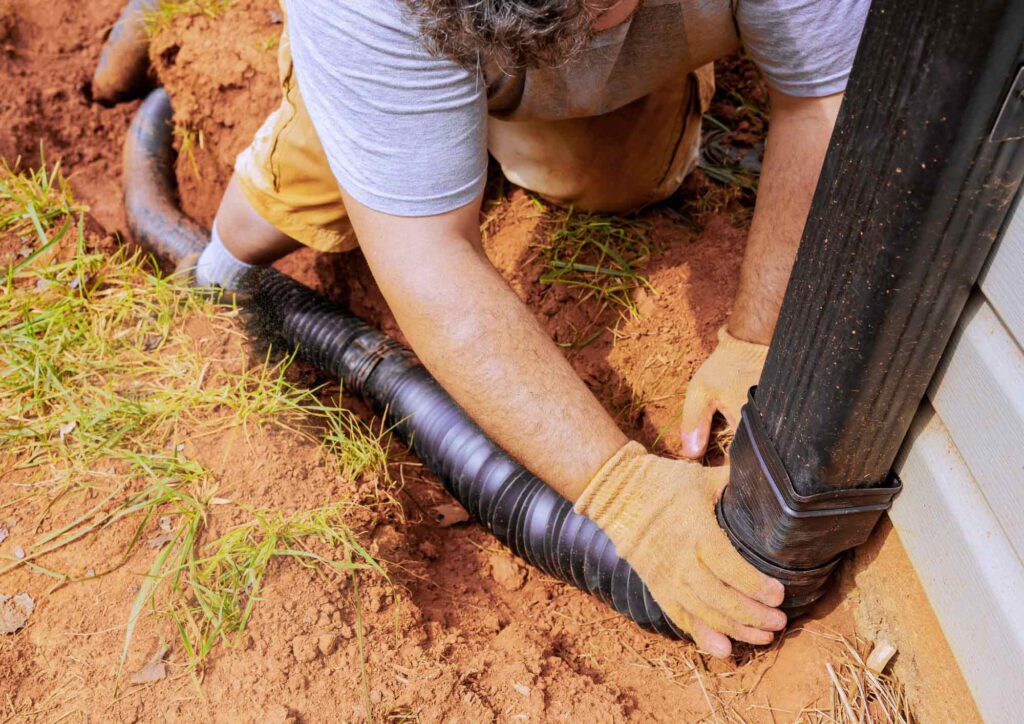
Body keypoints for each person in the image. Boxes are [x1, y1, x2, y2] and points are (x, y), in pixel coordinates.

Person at [187, 0, 868, 657]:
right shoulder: (370, 9)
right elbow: (426, 257)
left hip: (597, 61)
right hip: (403, 47)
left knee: (620, 177)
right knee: (309, 186)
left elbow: (825, 101)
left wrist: (757, 335)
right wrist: (626, 495)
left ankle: (477, 142)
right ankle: (209, 273)